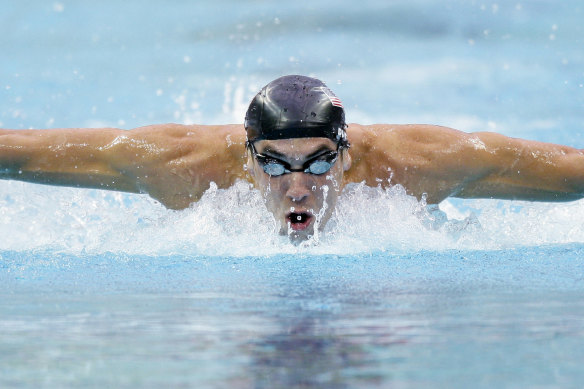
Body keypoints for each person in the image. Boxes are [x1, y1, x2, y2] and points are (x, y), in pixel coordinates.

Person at [1, 75, 583, 241]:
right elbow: (20, 153)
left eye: (319, 161)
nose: (298, 185)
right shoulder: (182, 166)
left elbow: (570, 172)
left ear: (348, 153)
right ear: (247, 156)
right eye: (276, 164)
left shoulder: (414, 164)